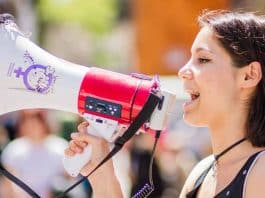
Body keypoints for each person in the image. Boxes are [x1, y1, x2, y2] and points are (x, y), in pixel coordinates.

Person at [65, 10, 265, 198]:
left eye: (203, 59)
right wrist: (101, 174)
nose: (183, 70)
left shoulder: (260, 170)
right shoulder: (201, 173)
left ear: (249, 75)